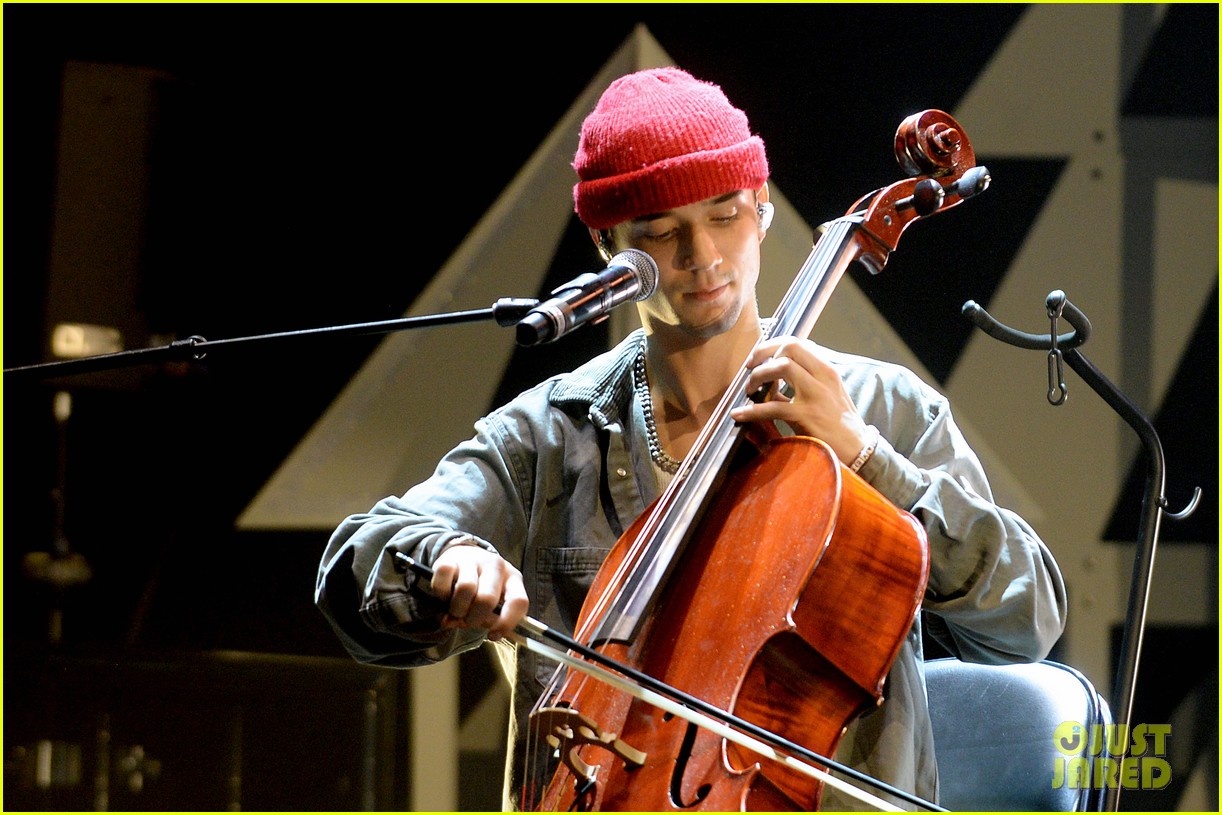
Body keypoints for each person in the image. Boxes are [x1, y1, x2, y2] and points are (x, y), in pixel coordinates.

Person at [316, 67, 1067, 811]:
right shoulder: (550, 435)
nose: (703, 256)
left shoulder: (883, 409)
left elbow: (1026, 617)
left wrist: (865, 456)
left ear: (764, 207)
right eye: (661, 232)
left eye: (724, 213)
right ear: (609, 244)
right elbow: (363, 556)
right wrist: (445, 556)